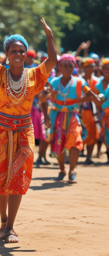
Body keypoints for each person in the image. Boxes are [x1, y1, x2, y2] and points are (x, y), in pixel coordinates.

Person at [0, 14, 57, 243]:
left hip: (24, 131)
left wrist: (49, 36)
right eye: (14, 50)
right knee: (1, 175)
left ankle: (11, 226)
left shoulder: (34, 75)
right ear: (7, 54)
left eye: (22, 51)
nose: (18, 55)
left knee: (19, 177)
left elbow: (52, 60)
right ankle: (3, 221)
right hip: (1, 130)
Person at [39, 54, 101, 183]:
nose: (67, 68)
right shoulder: (53, 82)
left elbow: (91, 95)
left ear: (74, 67)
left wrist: (94, 99)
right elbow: (41, 99)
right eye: (65, 66)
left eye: (70, 66)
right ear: (60, 67)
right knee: (58, 143)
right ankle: (62, 170)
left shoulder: (79, 81)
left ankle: (72, 171)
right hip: (56, 115)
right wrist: (46, 114)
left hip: (73, 115)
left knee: (75, 140)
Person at [80, 58, 100, 164]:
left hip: (94, 112)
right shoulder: (79, 80)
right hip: (80, 111)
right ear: (84, 67)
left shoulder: (97, 81)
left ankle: (89, 157)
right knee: (80, 133)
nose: (91, 68)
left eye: (93, 66)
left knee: (92, 133)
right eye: (89, 66)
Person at [94, 58, 109, 164]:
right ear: (101, 69)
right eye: (105, 68)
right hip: (102, 113)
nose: (107, 70)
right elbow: (95, 101)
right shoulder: (98, 85)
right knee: (104, 135)